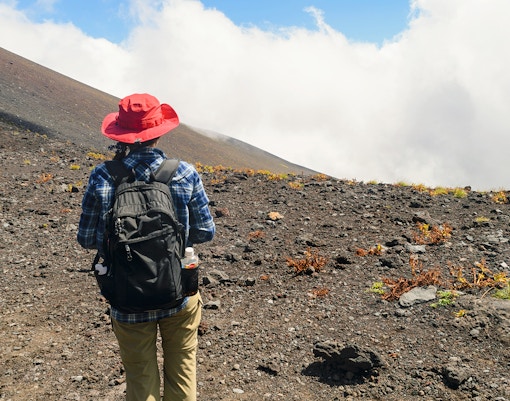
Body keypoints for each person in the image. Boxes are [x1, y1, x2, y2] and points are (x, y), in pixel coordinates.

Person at [77, 93, 215, 401]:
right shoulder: (184, 172)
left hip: (126, 296)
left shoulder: (102, 175)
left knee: (140, 375)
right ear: (159, 131)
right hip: (178, 290)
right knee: (182, 370)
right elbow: (206, 232)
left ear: (120, 135)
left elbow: (86, 238)